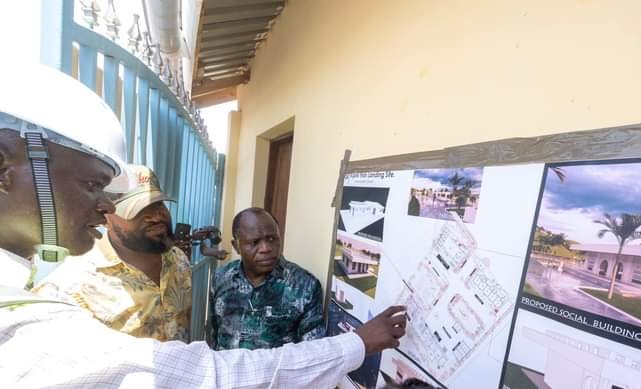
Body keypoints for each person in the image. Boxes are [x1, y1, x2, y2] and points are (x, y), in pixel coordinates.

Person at [0, 63, 406, 387]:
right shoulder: (47, 303)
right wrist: (356, 344)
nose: (103, 203)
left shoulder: (179, 263)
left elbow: (200, 347)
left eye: (272, 238)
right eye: (91, 185)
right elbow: (203, 372)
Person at [33, 165, 193, 342]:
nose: (156, 216)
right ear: (105, 218)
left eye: (158, 204)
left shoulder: (178, 260)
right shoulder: (70, 288)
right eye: (138, 211)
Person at [211, 207, 324, 350]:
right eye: (254, 242)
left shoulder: (305, 287)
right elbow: (215, 333)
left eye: (272, 239)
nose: (265, 248)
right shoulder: (221, 278)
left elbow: (313, 352)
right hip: (227, 370)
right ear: (236, 246)